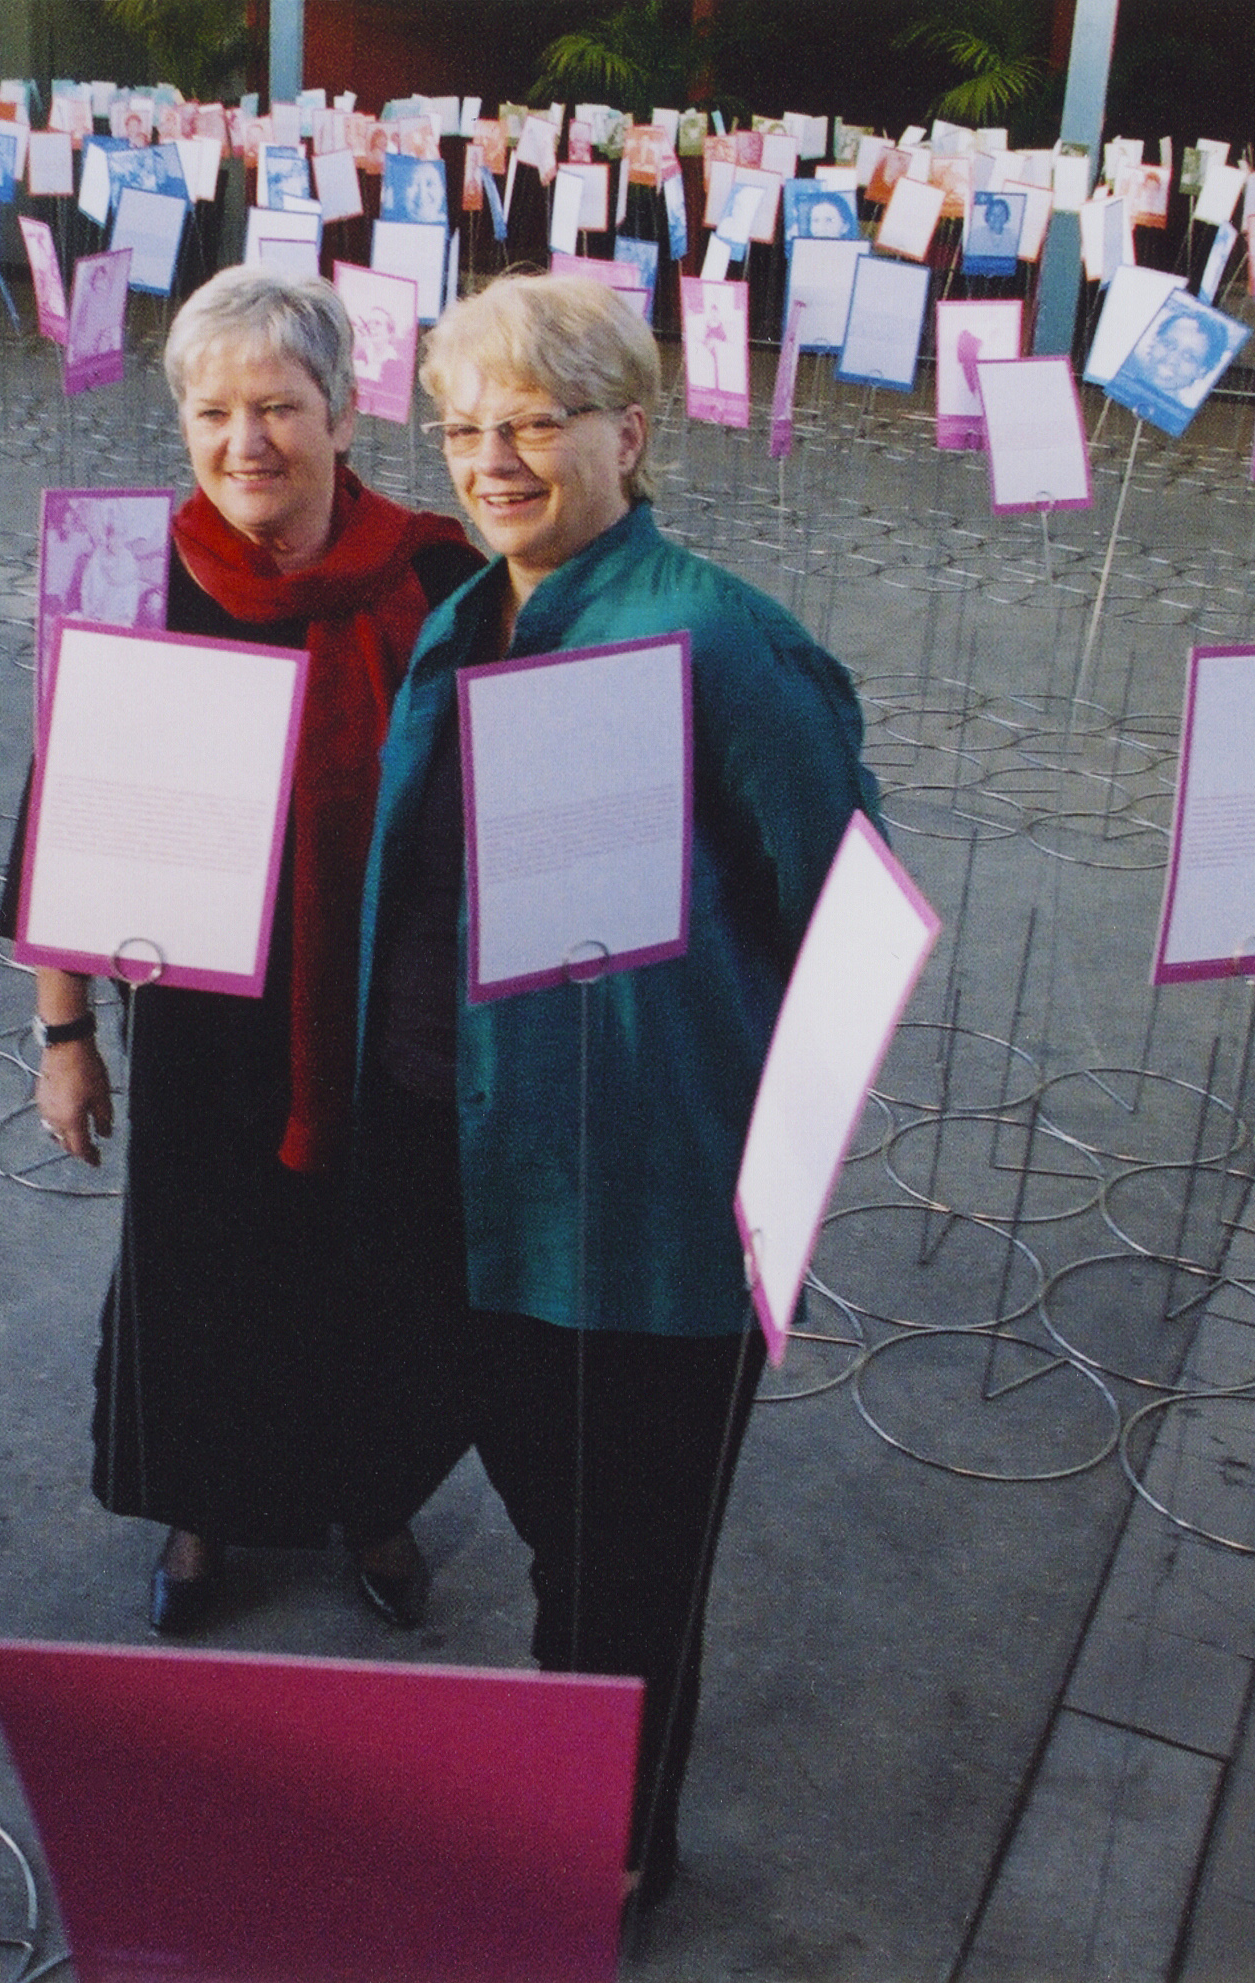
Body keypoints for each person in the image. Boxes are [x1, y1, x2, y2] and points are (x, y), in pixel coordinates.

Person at [355, 272, 875, 1905]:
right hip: (480, 1174)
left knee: (628, 1569)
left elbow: (841, 901)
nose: (492, 458)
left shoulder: (715, 634)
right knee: (557, 1534)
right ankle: (565, 1807)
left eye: (533, 422)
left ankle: (609, 1862)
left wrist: (735, 1119)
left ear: (627, 432)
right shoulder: (469, 616)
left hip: (647, 1207)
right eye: (462, 426)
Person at [3, 265, 481, 1634]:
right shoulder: (132, 577)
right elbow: (64, 822)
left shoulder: (440, 573)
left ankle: (372, 1501)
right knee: (205, 1276)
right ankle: (203, 1512)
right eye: (213, 412)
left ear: (342, 413)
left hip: (392, 1019)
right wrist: (66, 1035)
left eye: (279, 405)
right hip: (209, 1021)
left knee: (383, 1269)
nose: (244, 443)